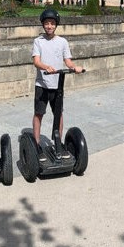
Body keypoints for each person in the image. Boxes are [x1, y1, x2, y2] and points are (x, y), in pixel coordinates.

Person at [30, 9, 83, 162]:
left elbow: (68, 61)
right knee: (39, 113)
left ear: (56, 25)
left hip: (57, 85)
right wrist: (46, 67)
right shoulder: (38, 41)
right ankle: (37, 144)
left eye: (52, 23)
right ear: (43, 24)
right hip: (42, 84)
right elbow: (36, 61)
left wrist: (74, 67)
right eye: (47, 23)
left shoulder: (62, 42)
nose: (49, 26)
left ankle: (57, 142)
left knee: (58, 113)